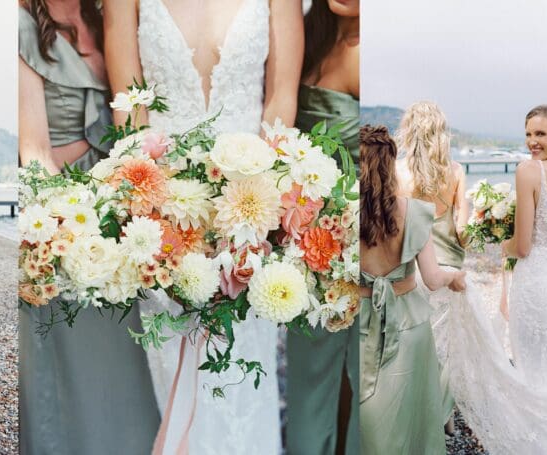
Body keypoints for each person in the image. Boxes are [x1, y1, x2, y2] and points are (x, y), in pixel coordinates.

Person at [104, 0, 303, 452]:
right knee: (179, 377)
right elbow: (129, 107)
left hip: (251, 221)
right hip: (164, 224)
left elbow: (280, 98)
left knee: (245, 383)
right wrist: (153, 211)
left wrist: (260, 210)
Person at [18, 2, 162, 452]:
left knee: (124, 372)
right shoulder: (20, 26)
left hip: (121, 220)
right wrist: (68, 231)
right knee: (69, 382)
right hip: (66, 228)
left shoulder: (109, 20)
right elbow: (35, 151)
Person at [444, 104, 547, 454]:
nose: (532, 141)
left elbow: (523, 246)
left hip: (535, 289)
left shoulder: (529, 172)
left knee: (532, 378)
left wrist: (502, 241)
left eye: (540, 133)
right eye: (528, 134)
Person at [284, 1, 359, 452]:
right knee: (308, 376)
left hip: (350, 240)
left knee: (355, 378)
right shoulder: (308, 35)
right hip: (301, 238)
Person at [393, 100, 469, 435]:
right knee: (444, 347)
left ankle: (414, 413)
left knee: (411, 343)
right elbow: (463, 232)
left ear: (408, 130)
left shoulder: (397, 172)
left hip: (410, 270)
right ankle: (443, 415)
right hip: (446, 269)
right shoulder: (455, 172)